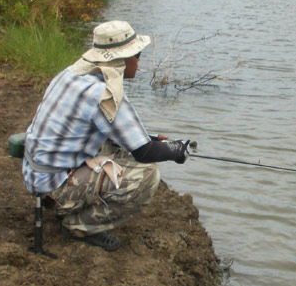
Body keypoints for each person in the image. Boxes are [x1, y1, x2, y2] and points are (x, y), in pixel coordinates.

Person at [22, 20, 190, 252]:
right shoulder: (105, 94)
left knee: (119, 149)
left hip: (36, 174)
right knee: (148, 176)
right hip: (54, 188)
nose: (139, 61)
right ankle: (78, 225)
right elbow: (144, 152)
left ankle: (74, 205)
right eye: (137, 55)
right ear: (122, 59)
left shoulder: (71, 74)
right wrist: (176, 150)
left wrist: (154, 141)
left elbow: (121, 136)